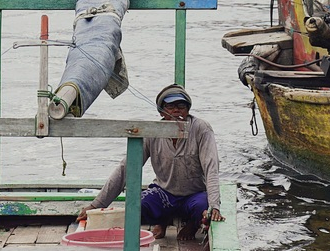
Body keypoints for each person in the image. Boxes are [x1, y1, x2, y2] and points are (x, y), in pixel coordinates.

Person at [78, 84, 224, 241]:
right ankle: (162, 221)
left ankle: (192, 226)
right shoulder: (153, 132)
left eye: (181, 106)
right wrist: (96, 205)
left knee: (202, 206)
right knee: (138, 205)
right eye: (170, 106)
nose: (176, 111)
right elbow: (127, 168)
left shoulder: (201, 129)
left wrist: (214, 206)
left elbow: (211, 167)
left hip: (194, 193)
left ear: (188, 110)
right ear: (161, 112)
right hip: (165, 192)